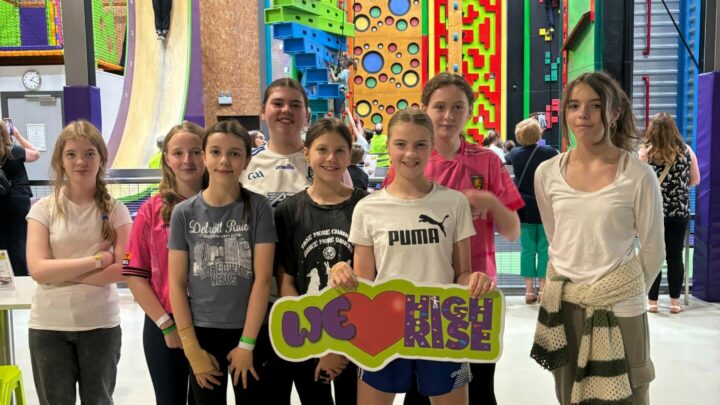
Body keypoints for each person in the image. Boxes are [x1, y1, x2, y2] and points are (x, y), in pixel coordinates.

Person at [330, 108, 495, 405]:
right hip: (384, 328)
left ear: (432, 147)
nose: (410, 154)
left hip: (442, 328)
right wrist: (343, 272)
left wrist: (477, 280)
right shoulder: (368, 208)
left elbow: (461, 274)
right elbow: (365, 281)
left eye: (420, 144)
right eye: (401, 144)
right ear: (388, 146)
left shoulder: (453, 202)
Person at [383, 72, 523, 405]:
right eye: (440, 106)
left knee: (478, 384)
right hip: (423, 291)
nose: (448, 116)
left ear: (469, 111)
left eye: (457, 107)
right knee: (420, 389)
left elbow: (513, 229)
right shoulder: (409, 161)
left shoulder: (487, 161)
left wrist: (487, 202)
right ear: (425, 108)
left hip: (476, 291)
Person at [530, 71, 664, 405]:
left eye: (594, 105)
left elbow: (653, 248)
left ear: (615, 112)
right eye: (574, 106)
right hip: (564, 302)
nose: (582, 115)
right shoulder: (547, 173)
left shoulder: (637, 175)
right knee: (569, 394)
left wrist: (621, 289)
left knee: (629, 394)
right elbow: (556, 235)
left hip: (621, 307)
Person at [168, 120, 276, 404]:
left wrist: (247, 344)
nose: (224, 161)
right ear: (205, 156)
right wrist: (192, 349)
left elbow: (262, 280)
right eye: (215, 152)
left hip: (249, 331)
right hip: (202, 333)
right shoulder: (183, 213)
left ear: (246, 160)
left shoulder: (259, 208)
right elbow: (177, 285)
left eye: (235, 153)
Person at [25, 120, 132, 404]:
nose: (80, 161)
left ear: (101, 159)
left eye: (89, 153)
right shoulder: (42, 210)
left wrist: (62, 272)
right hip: (49, 326)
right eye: (71, 154)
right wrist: (98, 260)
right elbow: (38, 269)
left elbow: (127, 264)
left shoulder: (117, 211)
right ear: (60, 159)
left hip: (100, 326)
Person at [274, 118, 367, 404]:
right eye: (322, 149)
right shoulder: (288, 211)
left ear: (349, 155)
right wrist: (313, 338)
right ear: (306, 153)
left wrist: (340, 347)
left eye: (340, 150)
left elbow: (370, 277)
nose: (331, 158)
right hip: (308, 334)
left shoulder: (365, 206)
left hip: (356, 332)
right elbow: (287, 280)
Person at [123, 122, 206, 404]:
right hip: (164, 325)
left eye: (196, 151)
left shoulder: (224, 205)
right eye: (178, 153)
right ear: (167, 159)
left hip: (211, 324)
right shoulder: (150, 211)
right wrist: (167, 326)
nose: (188, 160)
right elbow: (134, 274)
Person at [639, 112, 700, 314]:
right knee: (675, 257)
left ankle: (652, 301)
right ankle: (675, 302)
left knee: (652, 255)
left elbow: (638, 184)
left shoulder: (645, 153)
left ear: (652, 130)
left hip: (653, 213)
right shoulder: (687, 151)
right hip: (679, 212)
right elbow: (695, 180)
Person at [508, 118, 558, 304]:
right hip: (545, 206)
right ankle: (544, 289)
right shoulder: (550, 152)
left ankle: (529, 291)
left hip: (524, 208)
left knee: (527, 249)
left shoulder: (514, 154)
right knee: (545, 249)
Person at [0, 121, 39, 276]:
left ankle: (4, 278)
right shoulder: (14, 151)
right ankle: (22, 278)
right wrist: (17, 135)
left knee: (1, 240)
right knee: (19, 240)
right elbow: (35, 153)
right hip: (18, 198)